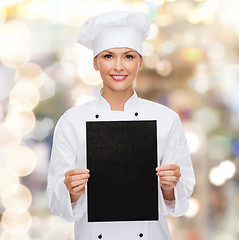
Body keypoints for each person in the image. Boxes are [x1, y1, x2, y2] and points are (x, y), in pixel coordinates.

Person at [47, 11, 195, 240]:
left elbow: (179, 204)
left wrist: (169, 185)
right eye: (108, 56)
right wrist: (70, 189)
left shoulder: (166, 119)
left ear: (140, 62)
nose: (118, 67)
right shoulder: (72, 121)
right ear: (95, 63)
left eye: (128, 56)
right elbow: (56, 203)